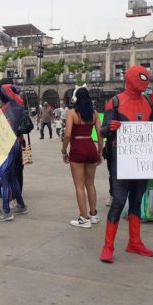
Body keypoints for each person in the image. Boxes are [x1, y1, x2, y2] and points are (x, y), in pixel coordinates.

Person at [99, 65, 153, 262]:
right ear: (129, 79)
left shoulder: (148, 103)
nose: (145, 81)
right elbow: (102, 131)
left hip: (141, 162)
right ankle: (108, 245)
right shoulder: (115, 103)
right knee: (119, 201)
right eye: (141, 78)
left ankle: (134, 241)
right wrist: (110, 128)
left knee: (136, 201)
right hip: (121, 162)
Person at [62, 87, 103, 228]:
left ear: (75, 99)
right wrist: (100, 152)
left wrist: (63, 150)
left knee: (79, 185)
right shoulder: (95, 113)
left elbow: (67, 134)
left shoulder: (71, 113)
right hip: (91, 147)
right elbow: (99, 134)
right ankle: (93, 215)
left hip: (78, 148)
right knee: (90, 183)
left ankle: (83, 218)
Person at [0, 80, 29, 222]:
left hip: (8, 145)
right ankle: (21, 205)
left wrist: (11, 88)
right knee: (11, 177)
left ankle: (6, 212)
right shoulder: (7, 107)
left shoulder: (16, 104)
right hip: (6, 143)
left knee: (4, 179)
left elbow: (7, 88)